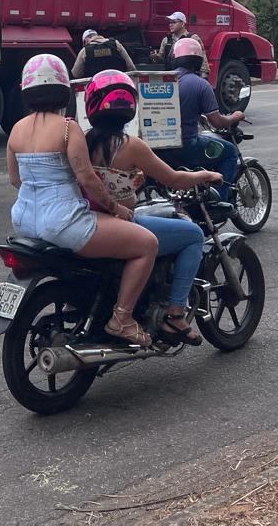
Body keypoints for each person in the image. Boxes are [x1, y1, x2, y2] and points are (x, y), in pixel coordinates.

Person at [7, 55, 159, 345]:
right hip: (64, 222)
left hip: (24, 222)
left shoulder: (16, 130)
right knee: (147, 244)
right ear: (64, 90)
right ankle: (122, 319)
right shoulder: (67, 128)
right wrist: (116, 208)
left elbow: (15, 179)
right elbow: (87, 178)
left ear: (25, 91)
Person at [83, 70, 223, 345]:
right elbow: (172, 179)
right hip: (122, 223)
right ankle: (175, 314)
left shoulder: (82, 142)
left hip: (89, 221)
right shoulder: (132, 146)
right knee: (193, 234)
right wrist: (205, 175)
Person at [172, 37, 242, 199]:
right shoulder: (201, 84)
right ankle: (219, 200)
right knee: (230, 151)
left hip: (162, 150)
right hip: (187, 146)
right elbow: (216, 121)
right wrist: (234, 117)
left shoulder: (166, 81)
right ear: (198, 60)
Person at [152, 11, 208, 75]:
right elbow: (161, 58)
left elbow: (203, 58)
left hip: (188, 76)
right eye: (170, 22)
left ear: (182, 24)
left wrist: (204, 75)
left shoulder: (192, 38)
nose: (170, 24)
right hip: (171, 77)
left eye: (174, 22)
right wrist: (155, 57)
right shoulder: (166, 40)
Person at [71, 29, 136, 78]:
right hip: (118, 85)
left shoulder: (84, 51)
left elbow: (76, 74)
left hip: (97, 90)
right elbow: (131, 67)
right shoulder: (116, 44)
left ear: (86, 40)